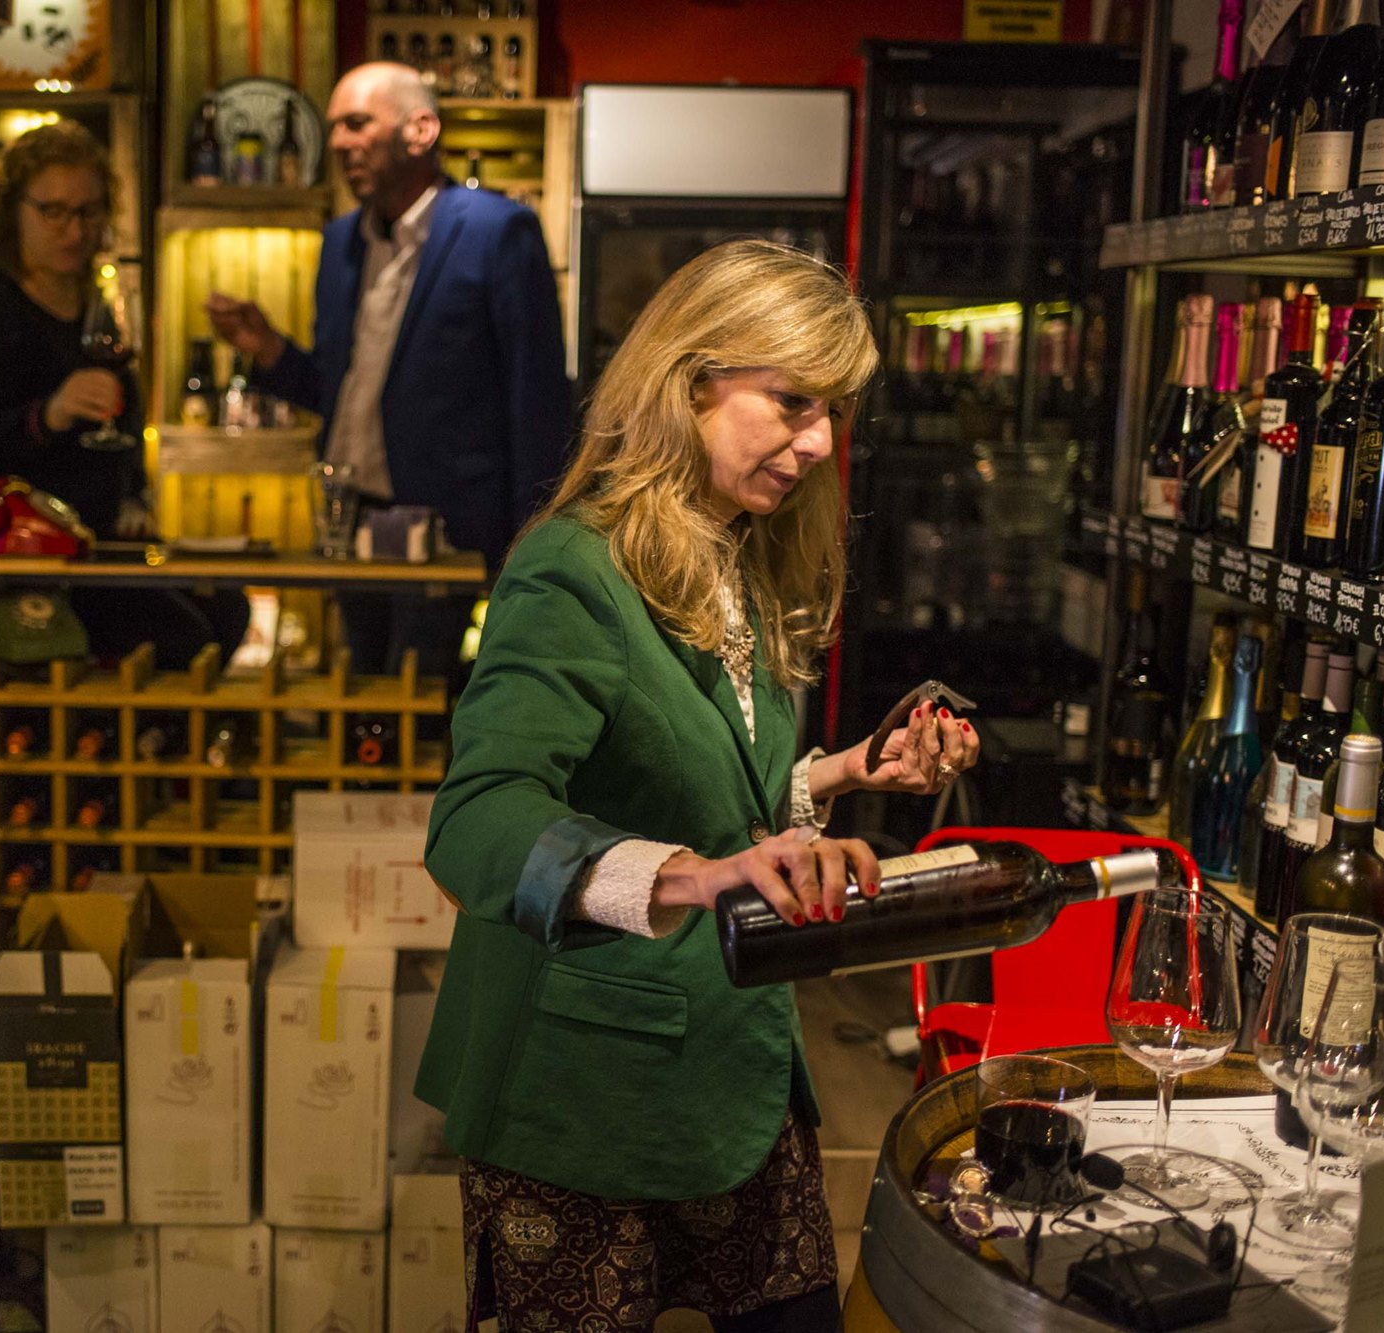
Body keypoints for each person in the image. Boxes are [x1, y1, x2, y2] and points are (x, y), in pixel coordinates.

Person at [415, 240, 982, 1331]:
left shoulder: (733, 554)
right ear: (690, 382)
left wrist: (850, 770)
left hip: (730, 1061)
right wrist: (694, 876)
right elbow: (477, 820)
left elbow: (716, 789)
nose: (818, 443)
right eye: (792, 401)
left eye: (833, 413)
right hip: (578, 1086)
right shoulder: (570, 569)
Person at [204, 61, 572, 679]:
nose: (341, 142)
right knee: (363, 690)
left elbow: (534, 400)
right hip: (350, 518)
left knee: (418, 701)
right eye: (335, 129)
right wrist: (266, 347)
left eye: (357, 124)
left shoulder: (499, 230)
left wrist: (531, 547)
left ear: (421, 129)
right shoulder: (341, 241)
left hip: (447, 529)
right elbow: (338, 390)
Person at [0, 122, 241, 666]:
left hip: (102, 548)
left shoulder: (97, 308)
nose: (74, 229)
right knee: (187, 637)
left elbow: (123, 439)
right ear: (14, 211)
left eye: (88, 211)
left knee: (229, 606)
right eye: (53, 211)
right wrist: (47, 415)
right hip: (24, 563)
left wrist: (133, 499)